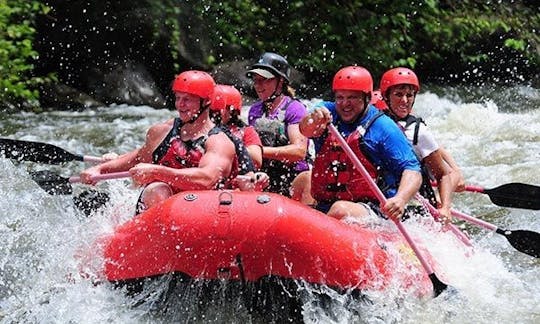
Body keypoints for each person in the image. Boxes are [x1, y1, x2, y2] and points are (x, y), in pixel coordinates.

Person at [80, 70, 242, 213]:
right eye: (178, 98)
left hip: (200, 213)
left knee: (160, 187)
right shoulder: (162, 131)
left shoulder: (219, 141)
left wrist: (157, 172)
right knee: (159, 190)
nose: (180, 105)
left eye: (187, 99)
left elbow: (207, 179)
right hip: (158, 209)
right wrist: (100, 169)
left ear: (206, 101)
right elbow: (138, 158)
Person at [299, 66, 422, 221]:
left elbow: (413, 170)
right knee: (302, 179)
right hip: (326, 203)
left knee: (340, 210)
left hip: (372, 208)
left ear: (367, 98)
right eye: (340, 97)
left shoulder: (383, 127)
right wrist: (312, 120)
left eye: (352, 98)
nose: (345, 104)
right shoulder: (326, 111)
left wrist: (401, 199)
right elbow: (305, 130)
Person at [379, 67, 464, 222]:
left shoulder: (419, 131)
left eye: (409, 95)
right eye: (398, 94)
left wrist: (445, 207)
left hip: (414, 205)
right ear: (386, 97)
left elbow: (442, 174)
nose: (405, 100)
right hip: (382, 197)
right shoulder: (375, 123)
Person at [245, 52, 311, 197]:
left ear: (280, 81)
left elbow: (299, 151)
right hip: (265, 177)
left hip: (291, 178)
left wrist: (259, 152)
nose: (258, 85)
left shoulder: (294, 109)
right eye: (256, 80)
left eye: (264, 80)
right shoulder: (254, 111)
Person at [210, 84, 269, 190]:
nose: (215, 113)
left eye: (220, 108)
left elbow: (256, 159)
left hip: (237, 187)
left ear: (232, 111)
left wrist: (226, 146)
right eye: (212, 109)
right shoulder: (201, 129)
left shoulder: (246, 131)